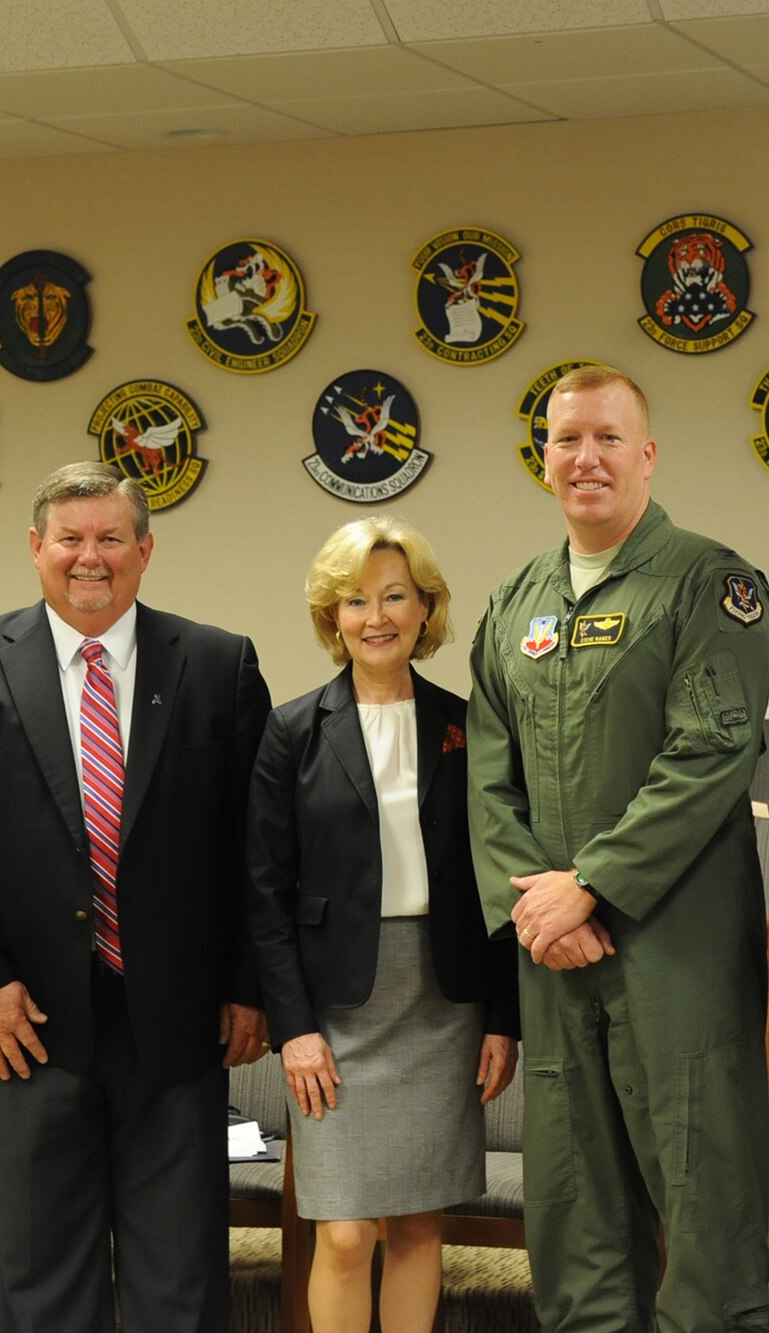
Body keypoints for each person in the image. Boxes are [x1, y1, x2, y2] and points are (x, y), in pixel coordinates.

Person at [0, 461, 272, 1333]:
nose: (89, 557)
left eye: (110, 538)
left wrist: (250, 986)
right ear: (36, 549)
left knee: (178, 1275)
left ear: (145, 549)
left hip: (176, 1019)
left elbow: (256, 846)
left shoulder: (218, 663)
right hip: (25, 1021)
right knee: (41, 1273)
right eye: (70, 539)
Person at [467, 364, 769, 1332]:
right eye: (566, 440)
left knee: (701, 1208)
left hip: (672, 948)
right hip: (553, 960)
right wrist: (537, 907)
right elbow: (485, 777)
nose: (584, 458)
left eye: (606, 438)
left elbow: (712, 751)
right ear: (544, 459)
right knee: (572, 1215)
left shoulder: (708, 582)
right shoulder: (513, 604)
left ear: (645, 455)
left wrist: (591, 886)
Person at [247, 517, 520, 1333]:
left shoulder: (468, 726)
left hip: (443, 1000)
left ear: (425, 607)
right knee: (343, 1230)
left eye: (395, 596)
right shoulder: (293, 731)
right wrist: (292, 1029)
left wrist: (502, 1019)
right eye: (356, 599)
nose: (377, 616)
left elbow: (498, 883)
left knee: (416, 1223)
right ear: (332, 616)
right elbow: (262, 892)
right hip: (336, 1010)